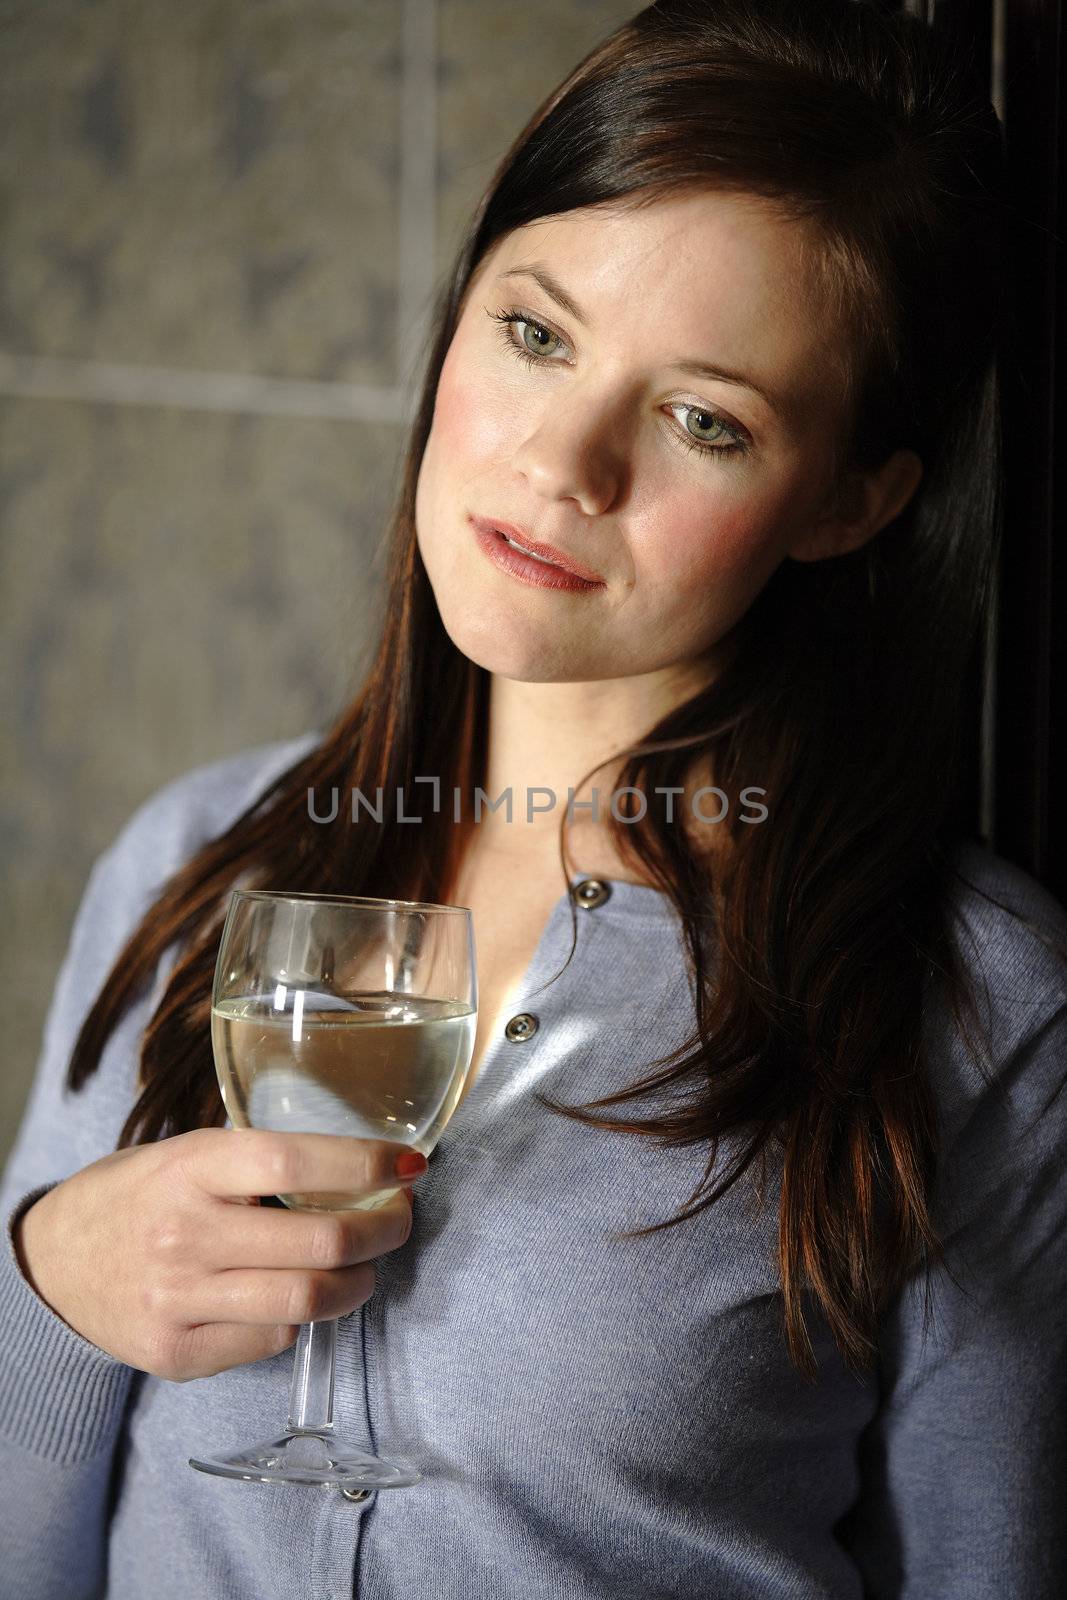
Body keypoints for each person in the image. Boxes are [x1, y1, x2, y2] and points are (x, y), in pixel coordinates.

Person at [2, 1, 1066, 1595]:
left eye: (705, 419)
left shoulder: (975, 1003)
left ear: (849, 501)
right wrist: (45, 1295)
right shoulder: (193, 865)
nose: (566, 461)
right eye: (537, 332)